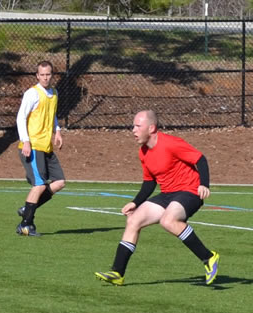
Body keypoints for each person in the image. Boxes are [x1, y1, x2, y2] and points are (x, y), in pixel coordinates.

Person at [94, 110, 219, 286]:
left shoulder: (171, 143)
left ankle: (208, 257)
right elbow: (149, 182)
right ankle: (117, 273)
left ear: (151, 128)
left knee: (168, 220)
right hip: (167, 194)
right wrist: (135, 202)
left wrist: (204, 184)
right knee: (134, 220)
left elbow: (200, 159)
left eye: (138, 126)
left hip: (189, 191)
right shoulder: (143, 152)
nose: (133, 130)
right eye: (133, 126)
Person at [15, 60, 65, 237]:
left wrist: (57, 131)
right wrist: (26, 141)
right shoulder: (32, 93)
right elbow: (20, 118)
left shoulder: (54, 93)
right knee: (39, 185)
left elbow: (53, 116)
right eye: (42, 74)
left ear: (52, 75)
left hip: (47, 146)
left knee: (59, 182)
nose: (45, 77)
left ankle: (27, 208)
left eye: (48, 74)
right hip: (33, 146)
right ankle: (26, 225)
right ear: (37, 76)